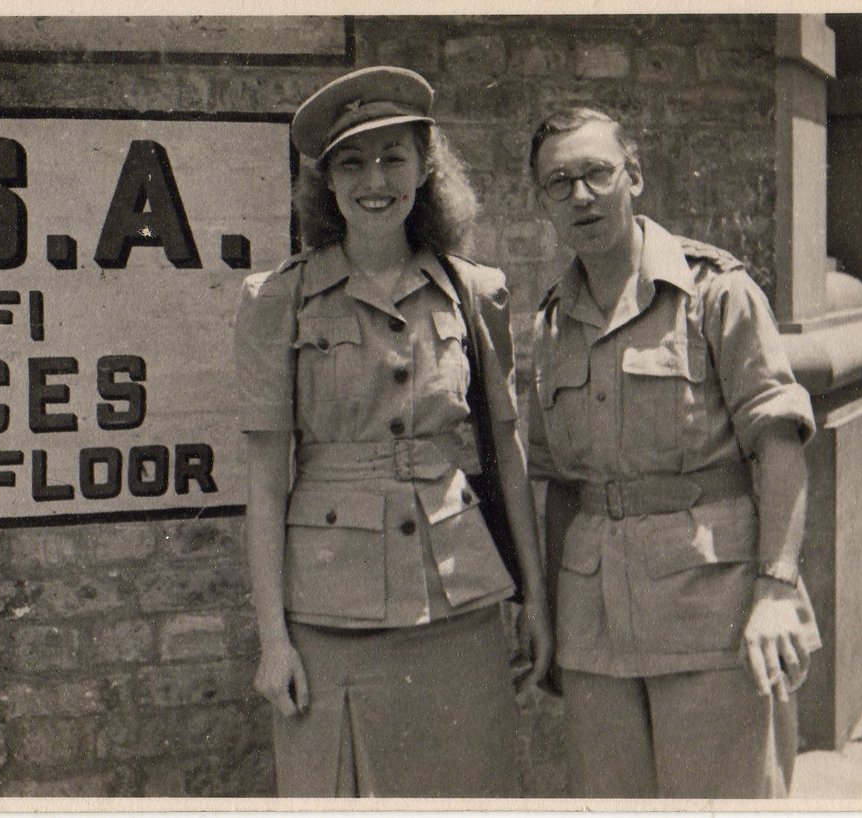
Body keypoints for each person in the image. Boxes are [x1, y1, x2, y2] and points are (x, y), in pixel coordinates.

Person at [233, 66, 551, 798]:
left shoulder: (475, 292)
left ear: (424, 170)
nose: (374, 181)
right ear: (327, 183)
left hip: (459, 607)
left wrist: (533, 599)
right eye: (351, 162)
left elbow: (506, 456)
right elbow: (263, 482)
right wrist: (274, 640)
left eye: (393, 158)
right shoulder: (278, 300)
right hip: (328, 617)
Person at [525, 107, 821, 798]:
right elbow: (562, 488)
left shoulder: (716, 293)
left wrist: (776, 591)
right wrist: (553, 619)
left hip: (714, 617)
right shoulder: (548, 325)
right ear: (541, 201)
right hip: (596, 628)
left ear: (635, 177)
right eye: (558, 181)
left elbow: (779, 446)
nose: (580, 195)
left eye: (596, 173)